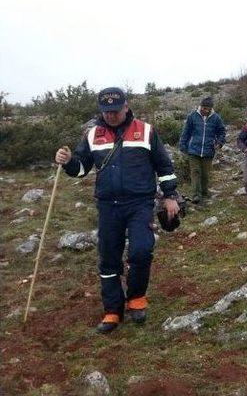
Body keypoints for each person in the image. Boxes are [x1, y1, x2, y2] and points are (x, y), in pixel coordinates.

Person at [55, 87, 179, 334]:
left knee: (142, 250)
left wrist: (170, 196)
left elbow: (164, 165)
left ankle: (136, 298)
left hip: (140, 203)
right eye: (106, 111)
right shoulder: (92, 135)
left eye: (115, 110)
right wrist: (68, 161)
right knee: (109, 258)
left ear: (126, 106)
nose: (111, 115)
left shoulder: (146, 131)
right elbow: (81, 169)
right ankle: (112, 310)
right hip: (108, 205)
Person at [178, 96, 226, 204]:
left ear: (211, 108)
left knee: (205, 174)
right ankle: (196, 195)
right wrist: (182, 145)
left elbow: (222, 132)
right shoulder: (192, 116)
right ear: (201, 106)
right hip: (193, 150)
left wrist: (219, 143)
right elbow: (186, 132)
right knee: (195, 172)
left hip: (208, 150)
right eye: (204, 108)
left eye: (208, 109)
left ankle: (204, 192)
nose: (206, 111)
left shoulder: (216, 118)